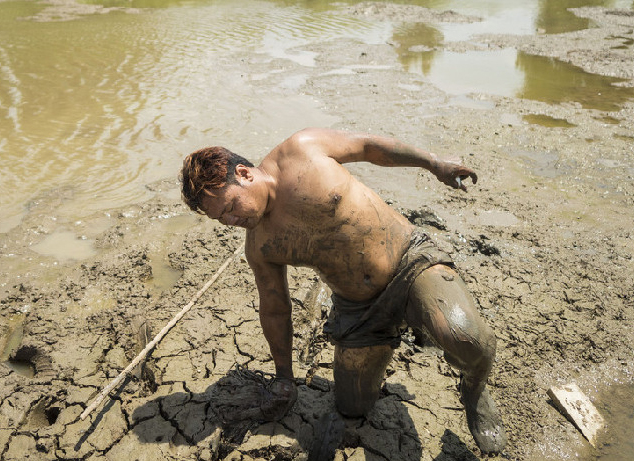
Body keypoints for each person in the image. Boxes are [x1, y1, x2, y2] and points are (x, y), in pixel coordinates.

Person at [180, 128, 506, 454]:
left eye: (230, 206)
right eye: (221, 219)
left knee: (466, 337)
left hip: (410, 262)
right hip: (358, 310)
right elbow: (275, 308)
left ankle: (474, 387)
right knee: (353, 407)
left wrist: (433, 163)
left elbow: (368, 147)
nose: (231, 220)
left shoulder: (301, 151)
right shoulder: (260, 247)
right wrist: (284, 378)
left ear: (244, 174)